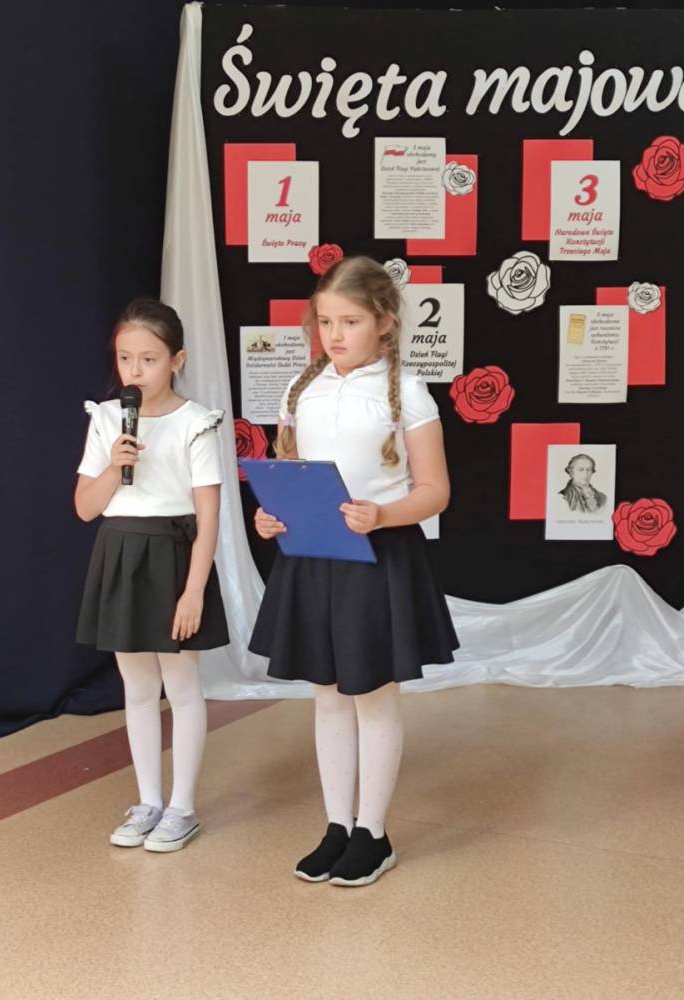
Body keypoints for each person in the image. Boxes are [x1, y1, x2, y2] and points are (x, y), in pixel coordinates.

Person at [249, 256, 458, 887]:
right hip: (314, 560)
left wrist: (382, 514)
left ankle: (374, 832)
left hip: (379, 558)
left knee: (372, 695)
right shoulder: (300, 389)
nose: (334, 335)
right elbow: (292, 476)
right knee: (328, 696)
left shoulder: (408, 392)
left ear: (385, 322)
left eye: (350, 321)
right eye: (324, 322)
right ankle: (337, 826)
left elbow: (436, 491)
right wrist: (271, 517)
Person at [75, 298, 229, 852]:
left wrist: (194, 590)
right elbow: (85, 508)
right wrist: (114, 466)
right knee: (137, 688)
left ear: (176, 360)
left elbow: (209, 516)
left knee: (181, 687)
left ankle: (182, 806)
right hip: (120, 552)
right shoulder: (106, 420)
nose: (135, 371)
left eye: (148, 359)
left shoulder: (196, 422)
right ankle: (148, 801)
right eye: (125, 359)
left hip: (173, 555)